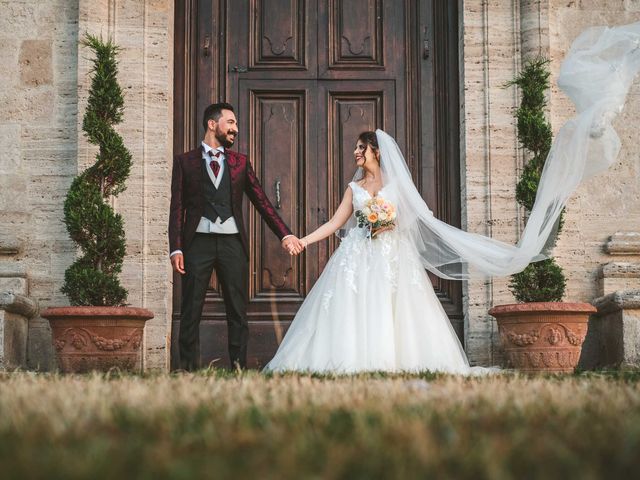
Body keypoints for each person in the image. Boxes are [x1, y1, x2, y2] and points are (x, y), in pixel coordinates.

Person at [264, 131, 472, 373]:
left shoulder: (396, 186)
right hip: (358, 253)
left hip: (392, 254)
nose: (356, 152)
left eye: (361, 147)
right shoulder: (355, 188)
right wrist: (304, 240)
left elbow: (415, 217)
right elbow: (334, 223)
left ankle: (396, 362)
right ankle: (352, 361)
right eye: (356, 148)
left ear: (377, 152)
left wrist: (389, 222)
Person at [169, 102, 304, 371]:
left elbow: (262, 201)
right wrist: (177, 249)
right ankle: (187, 370)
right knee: (191, 308)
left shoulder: (240, 163)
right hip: (198, 243)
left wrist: (285, 234)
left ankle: (239, 368)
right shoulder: (185, 162)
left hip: (232, 243)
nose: (235, 129)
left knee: (237, 310)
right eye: (230, 123)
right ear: (212, 124)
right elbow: (177, 208)